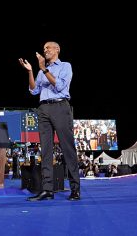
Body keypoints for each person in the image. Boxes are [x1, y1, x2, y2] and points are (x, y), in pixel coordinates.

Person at [19, 41, 80, 201]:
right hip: (43, 108)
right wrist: (31, 71)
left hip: (60, 106)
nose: (45, 50)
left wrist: (44, 69)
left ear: (57, 50)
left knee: (67, 148)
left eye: (48, 47)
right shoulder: (40, 70)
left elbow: (60, 86)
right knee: (46, 150)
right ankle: (47, 190)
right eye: (44, 48)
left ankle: (75, 189)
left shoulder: (65, 66)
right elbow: (34, 90)